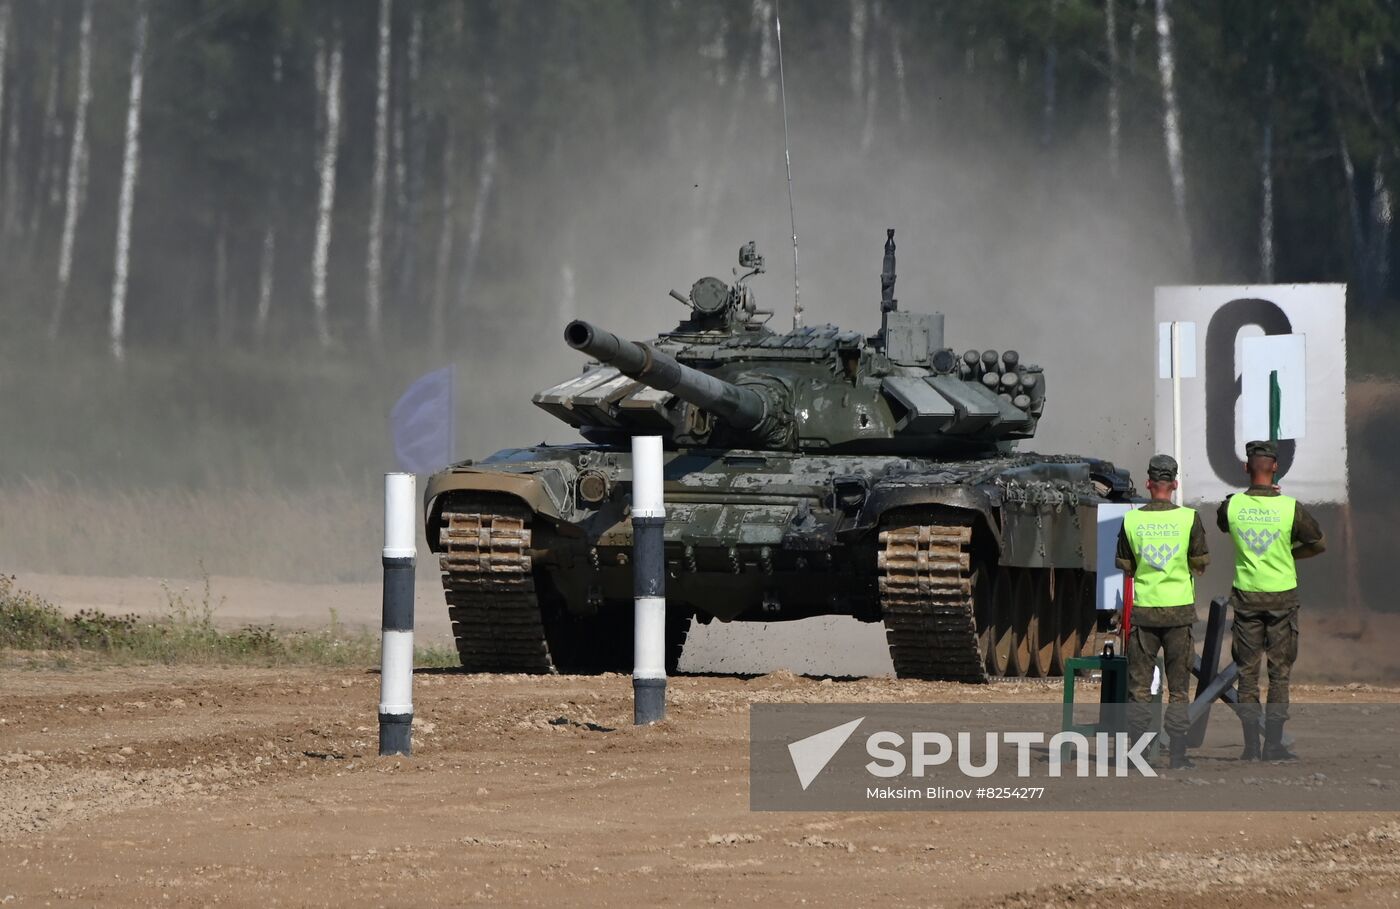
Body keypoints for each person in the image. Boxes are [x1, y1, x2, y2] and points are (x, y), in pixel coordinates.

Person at [1218, 440, 1326, 761]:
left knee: (1248, 674)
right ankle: (1274, 746)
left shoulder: (1232, 506)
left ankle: (1250, 747)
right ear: (1275, 467)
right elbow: (1318, 543)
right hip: (1282, 598)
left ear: (1246, 467)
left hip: (1247, 599)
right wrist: (1288, 554)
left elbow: (1224, 523)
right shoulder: (1291, 508)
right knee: (1279, 674)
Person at [1116, 454, 1209, 769]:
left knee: (1139, 688)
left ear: (1148, 484)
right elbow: (1201, 563)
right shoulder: (1189, 519)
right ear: (1175, 484)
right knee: (1179, 688)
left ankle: (1138, 756)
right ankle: (1179, 755)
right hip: (1179, 614)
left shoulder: (1132, 520)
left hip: (1144, 614)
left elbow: (1126, 566)